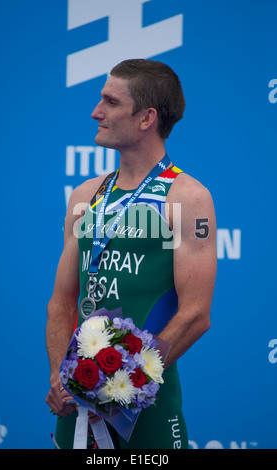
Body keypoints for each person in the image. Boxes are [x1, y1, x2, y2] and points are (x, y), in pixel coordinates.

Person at [45, 59, 217, 449]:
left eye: (110, 102)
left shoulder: (187, 197)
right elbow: (61, 301)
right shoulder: (86, 195)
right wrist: (62, 375)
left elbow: (195, 315)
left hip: (149, 406)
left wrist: (125, 379)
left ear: (146, 118)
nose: (96, 112)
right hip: (80, 401)